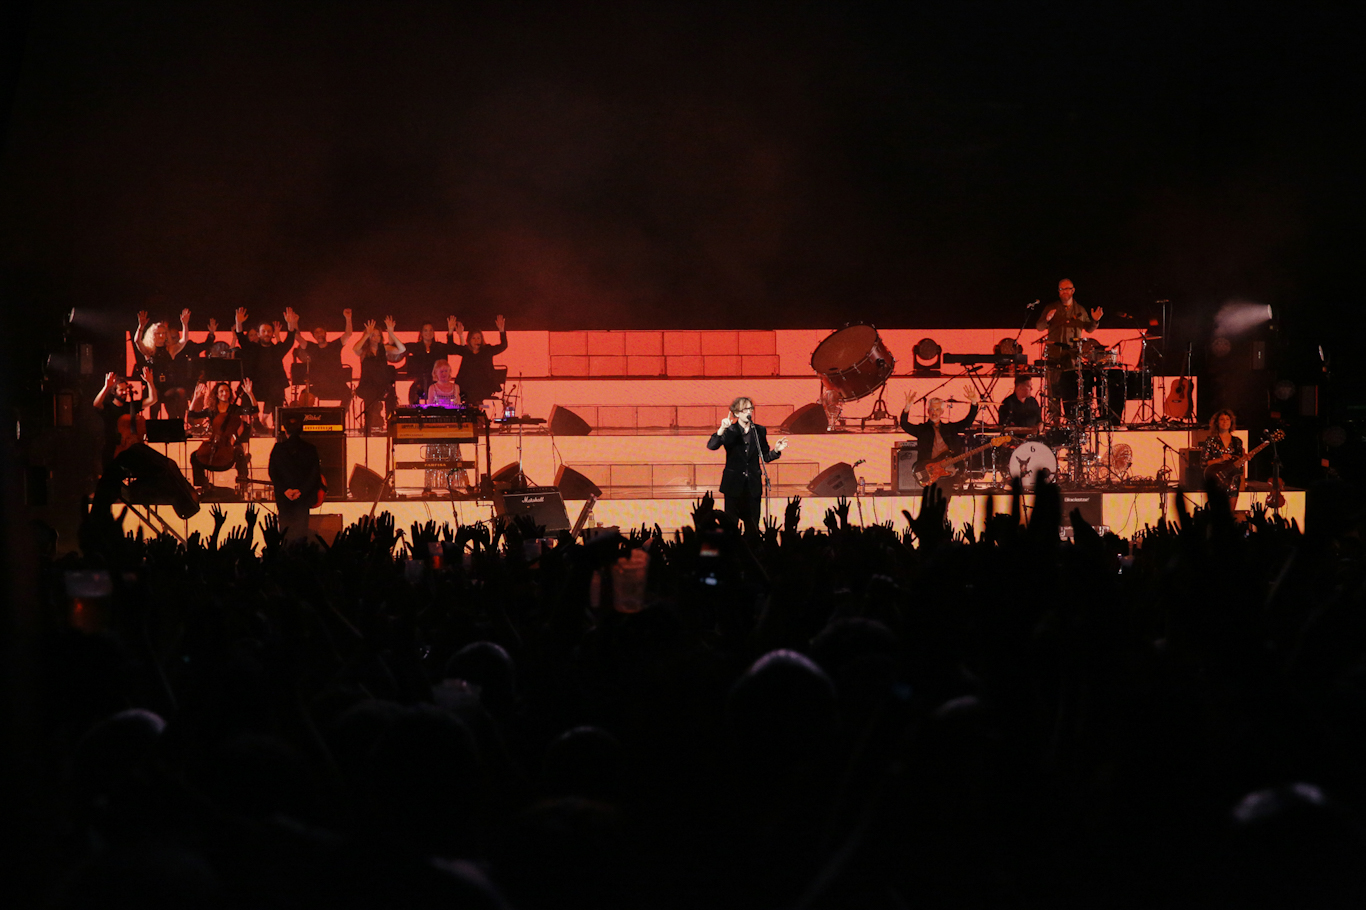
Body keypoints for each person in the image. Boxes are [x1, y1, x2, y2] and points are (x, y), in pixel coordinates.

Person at [705, 397, 788, 538]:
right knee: (731, 525)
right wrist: (721, 430)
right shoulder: (729, 430)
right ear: (736, 413)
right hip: (733, 484)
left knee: (753, 524)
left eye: (750, 409)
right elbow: (712, 446)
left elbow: (765, 456)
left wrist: (777, 451)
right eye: (745, 410)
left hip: (753, 485)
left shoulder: (759, 431)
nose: (749, 412)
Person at [1036, 279, 1103, 423]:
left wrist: (1095, 320)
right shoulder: (1052, 307)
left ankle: (1071, 420)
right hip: (1054, 355)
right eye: (1060, 289)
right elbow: (1040, 327)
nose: (1063, 292)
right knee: (1053, 389)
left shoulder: (1079, 310)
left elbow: (1089, 329)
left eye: (1066, 289)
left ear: (1073, 290)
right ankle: (1054, 421)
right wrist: (1047, 319)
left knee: (1070, 389)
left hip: (1072, 357)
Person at [900, 385, 980, 498]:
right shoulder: (922, 429)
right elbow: (905, 425)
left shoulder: (950, 428)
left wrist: (974, 403)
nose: (934, 412)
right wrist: (907, 407)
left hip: (947, 471)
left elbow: (967, 422)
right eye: (932, 409)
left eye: (937, 409)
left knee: (944, 501)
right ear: (928, 411)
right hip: (929, 471)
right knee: (931, 502)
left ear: (942, 411)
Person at [234, 306, 299, 431]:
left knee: (277, 392)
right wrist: (239, 322)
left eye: (269, 331)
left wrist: (290, 323)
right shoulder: (252, 348)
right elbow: (240, 336)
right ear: (258, 334)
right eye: (263, 331)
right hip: (255, 385)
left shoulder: (277, 349)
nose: (266, 334)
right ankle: (254, 423)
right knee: (247, 394)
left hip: (273, 386)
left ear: (273, 334)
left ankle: (277, 427)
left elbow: (290, 340)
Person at [186, 379, 259, 491]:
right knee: (194, 456)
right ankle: (203, 484)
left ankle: (243, 481)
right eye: (221, 391)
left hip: (230, 443)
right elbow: (191, 415)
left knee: (239, 452)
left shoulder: (234, 409)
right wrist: (195, 398)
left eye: (227, 391)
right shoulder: (211, 410)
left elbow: (254, 410)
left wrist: (250, 394)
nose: (224, 393)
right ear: (216, 394)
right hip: (213, 443)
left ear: (230, 394)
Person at [269, 411, 324, 542]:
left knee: (285, 533)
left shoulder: (278, 448)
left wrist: (285, 490)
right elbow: (314, 474)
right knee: (301, 532)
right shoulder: (310, 448)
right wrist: (301, 491)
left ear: (285, 431)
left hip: (285, 497)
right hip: (303, 497)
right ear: (301, 430)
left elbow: (273, 473)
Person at [132, 309, 192, 419]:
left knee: (178, 395)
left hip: (169, 385)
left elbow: (184, 340)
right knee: (155, 401)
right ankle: (154, 429)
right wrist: (141, 327)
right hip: (154, 385)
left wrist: (185, 324)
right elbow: (137, 341)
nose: (161, 335)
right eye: (158, 333)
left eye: (163, 333)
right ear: (152, 335)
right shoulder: (149, 350)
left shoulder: (170, 349)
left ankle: (179, 424)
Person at [353, 316, 407, 435]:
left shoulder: (384, 348)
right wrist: (366, 334)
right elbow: (355, 349)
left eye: (378, 335)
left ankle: (391, 426)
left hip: (382, 385)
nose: (376, 338)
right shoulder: (364, 351)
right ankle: (368, 428)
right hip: (367, 385)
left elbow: (401, 349)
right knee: (370, 396)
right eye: (373, 335)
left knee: (391, 397)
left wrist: (391, 334)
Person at [292, 309, 355, 406]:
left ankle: (339, 417)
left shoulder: (335, 345)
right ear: (314, 336)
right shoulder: (311, 347)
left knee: (348, 393)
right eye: (316, 333)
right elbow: (297, 337)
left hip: (337, 384)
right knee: (305, 394)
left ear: (325, 333)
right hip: (319, 385)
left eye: (320, 331)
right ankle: (308, 418)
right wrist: (294, 322)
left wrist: (348, 318)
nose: (319, 334)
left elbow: (348, 334)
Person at [450, 315, 508, 411]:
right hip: (467, 385)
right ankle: (474, 409)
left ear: (482, 340)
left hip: (483, 384)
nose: (476, 340)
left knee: (475, 393)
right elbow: (451, 346)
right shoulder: (466, 351)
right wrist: (451, 331)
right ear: (469, 340)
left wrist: (502, 331)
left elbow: (503, 346)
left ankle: (477, 409)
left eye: (478, 338)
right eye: (473, 338)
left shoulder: (487, 350)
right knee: (468, 393)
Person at [403, 316, 460, 405]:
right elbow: (401, 348)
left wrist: (450, 332)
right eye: (425, 330)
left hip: (438, 384)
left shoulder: (439, 347)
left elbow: (452, 349)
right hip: (420, 384)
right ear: (421, 333)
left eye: (431, 330)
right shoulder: (416, 347)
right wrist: (391, 333)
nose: (428, 333)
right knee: (413, 393)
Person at [1202, 408, 1246, 506]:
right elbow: (1204, 462)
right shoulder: (1211, 441)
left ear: (1231, 422)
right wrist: (1221, 459)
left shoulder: (1237, 441)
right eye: (1222, 419)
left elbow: (1238, 462)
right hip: (1217, 480)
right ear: (1217, 423)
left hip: (1233, 481)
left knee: (1230, 514)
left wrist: (1244, 459)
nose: (1225, 421)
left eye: (1227, 419)